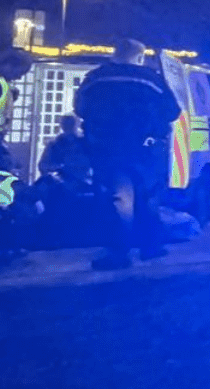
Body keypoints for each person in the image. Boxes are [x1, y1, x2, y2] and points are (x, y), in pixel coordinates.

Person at [74, 40, 180, 269]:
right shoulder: (151, 79)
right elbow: (172, 111)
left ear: (115, 53)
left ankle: (119, 253)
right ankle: (150, 247)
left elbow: (80, 108)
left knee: (118, 199)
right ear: (140, 57)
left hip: (107, 148)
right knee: (148, 196)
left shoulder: (95, 78)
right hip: (145, 149)